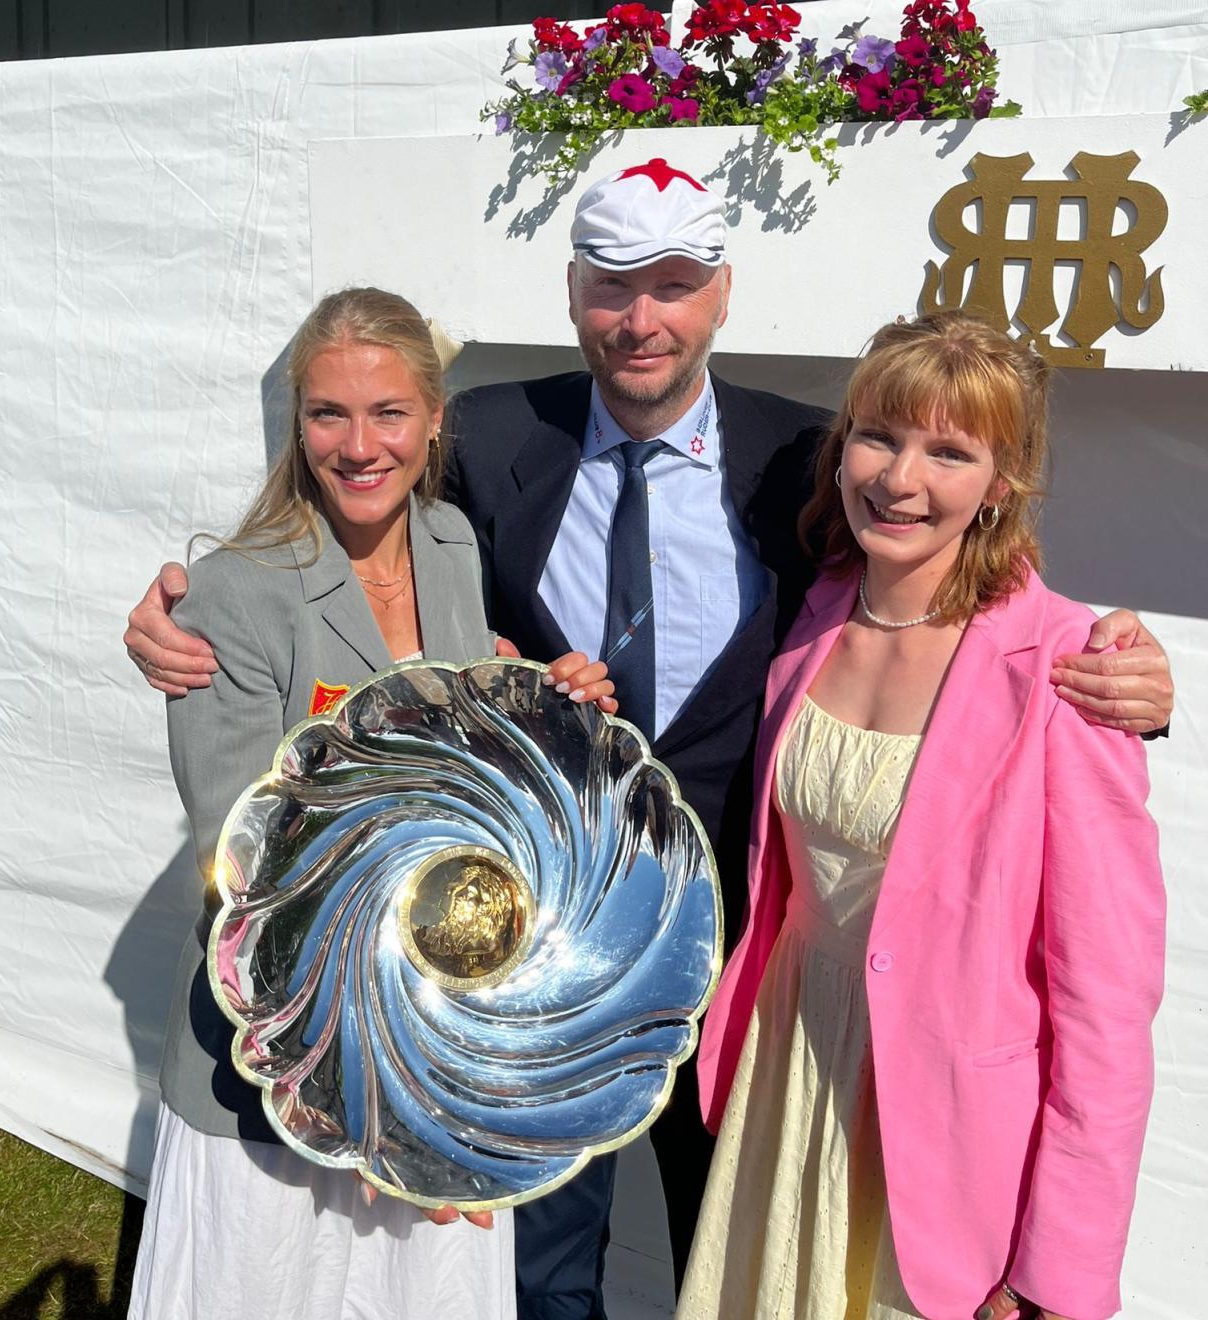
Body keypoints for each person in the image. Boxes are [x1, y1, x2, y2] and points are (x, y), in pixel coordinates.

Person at [124, 161, 1175, 1320]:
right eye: (613, 285)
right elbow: (354, 520)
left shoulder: (809, 459)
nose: (642, 319)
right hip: (528, 954)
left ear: (722, 293)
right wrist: (186, 611)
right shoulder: (487, 435)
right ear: (574, 291)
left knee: (716, 1256)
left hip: (736, 971)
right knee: (539, 1269)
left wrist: (1124, 672)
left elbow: (966, 605)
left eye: (673, 284)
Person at [128, 287, 614, 1320]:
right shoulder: (235, 591)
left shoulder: (450, 543)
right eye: (328, 414)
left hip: (438, 1046)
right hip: (283, 1065)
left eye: (389, 412)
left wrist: (546, 706)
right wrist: (375, 1093)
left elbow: (465, 769)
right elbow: (250, 872)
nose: (358, 446)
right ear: (297, 423)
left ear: (435, 419)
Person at [681, 311, 1165, 1320]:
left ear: (1002, 482)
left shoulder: (1067, 666)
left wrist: (1062, 1265)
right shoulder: (813, 609)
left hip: (946, 1141)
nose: (900, 479)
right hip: (786, 1071)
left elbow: (1106, 1001)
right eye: (880, 436)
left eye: (949, 452)